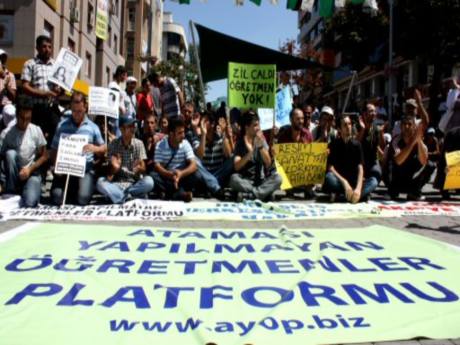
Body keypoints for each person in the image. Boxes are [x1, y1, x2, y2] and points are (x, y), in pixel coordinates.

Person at [50, 92, 106, 205]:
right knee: (57, 198)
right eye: (74, 111)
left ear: (85, 108)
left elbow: (104, 148)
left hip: (85, 170)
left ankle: (84, 188)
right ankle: (73, 189)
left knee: (83, 199)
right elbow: (54, 149)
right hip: (66, 170)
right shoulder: (62, 126)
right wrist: (56, 166)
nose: (76, 114)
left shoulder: (93, 127)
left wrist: (95, 148)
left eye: (79, 111)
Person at [1, 96, 48, 207]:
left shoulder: (36, 130)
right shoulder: (6, 134)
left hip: (31, 174)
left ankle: (29, 190)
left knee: (30, 202)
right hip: (13, 176)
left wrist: (30, 169)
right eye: (22, 118)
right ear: (16, 115)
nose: (25, 122)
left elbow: (44, 155)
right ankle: (11, 191)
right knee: (10, 154)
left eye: (28, 118)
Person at [96, 117, 154, 204]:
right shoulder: (113, 144)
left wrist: (139, 168)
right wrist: (114, 168)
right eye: (129, 126)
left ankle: (119, 197)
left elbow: (143, 168)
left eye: (133, 126)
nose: (133, 128)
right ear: (121, 129)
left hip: (134, 184)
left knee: (149, 181)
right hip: (117, 184)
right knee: (100, 182)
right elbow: (109, 174)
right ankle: (127, 197)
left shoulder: (139, 143)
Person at [229, 111, 282, 202]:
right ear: (247, 127)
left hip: (261, 181)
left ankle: (251, 195)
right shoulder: (240, 143)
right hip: (246, 181)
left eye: (258, 125)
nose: (258, 128)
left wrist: (261, 147)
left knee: (278, 178)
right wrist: (250, 152)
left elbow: (268, 163)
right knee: (233, 179)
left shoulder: (261, 140)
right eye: (255, 125)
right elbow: (237, 166)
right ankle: (263, 194)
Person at [22, 35, 62, 146]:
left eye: (50, 47)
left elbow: (61, 88)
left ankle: (50, 160)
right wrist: (44, 93)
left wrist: (60, 90)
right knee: (35, 139)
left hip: (53, 109)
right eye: (44, 46)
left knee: (56, 135)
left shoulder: (56, 65)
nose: (47, 49)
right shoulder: (30, 64)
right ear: (37, 48)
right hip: (36, 109)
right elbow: (25, 86)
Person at [151, 116, 198, 202]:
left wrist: (181, 174)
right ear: (171, 134)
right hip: (167, 176)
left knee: (196, 174)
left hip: (182, 177)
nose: (183, 136)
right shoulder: (160, 145)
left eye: (183, 132)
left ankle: (171, 193)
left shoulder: (185, 143)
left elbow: (194, 165)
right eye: (180, 133)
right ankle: (180, 194)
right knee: (153, 176)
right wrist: (169, 174)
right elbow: (157, 166)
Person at [323, 115, 366, 203]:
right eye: (345, 125)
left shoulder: (357, 145)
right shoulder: (333, 144)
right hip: (339, 180)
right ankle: (353, 194)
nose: (348, 127)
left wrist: (358, 188)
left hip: (353, 180)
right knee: (328, 178)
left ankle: (350, 194)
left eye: (349, 124)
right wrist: (344, 182)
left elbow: (360, 167)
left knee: (372, 182)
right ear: (339, 129)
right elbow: (330, 167)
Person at [387, 114, 428, 201]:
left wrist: (418, 141)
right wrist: (412, 142)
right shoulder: (395, 140)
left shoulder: (419, 141)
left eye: (409, 124)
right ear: (401, 126)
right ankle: (393, 191)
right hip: (398, 176)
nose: (406, 126)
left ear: (414, 127)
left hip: (412, 176)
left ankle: (414, 192)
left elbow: (423, 161)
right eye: (404, 124)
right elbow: (398, 160)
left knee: (430, 165)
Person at [277, 108, 315, 199]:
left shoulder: (307, 135)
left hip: (303, 171)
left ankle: (308, 189)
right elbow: (279, 159)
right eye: (298, 119)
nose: (301, 121)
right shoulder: (283, 136)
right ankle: (289, 189)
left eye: (302, 118)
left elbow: (313, 157)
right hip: (289, 171)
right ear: (291, 120)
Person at [195, 112, 234, 191]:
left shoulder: (220, 138)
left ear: (213, 124)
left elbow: (228, 155)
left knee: (234, 158)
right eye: (201, 121)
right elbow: (199, 156)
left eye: (205, 121)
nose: (202, 124)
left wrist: (223, 134)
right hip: (204, 173)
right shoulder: (198, 138)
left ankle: (210, 184)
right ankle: (214, 185)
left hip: (218, 173)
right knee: (194, 161)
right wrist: (203, 135)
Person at [356, 103, 386, 199]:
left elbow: (380, 146)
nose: (374, 113)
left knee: (375, 179)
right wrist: (363, 129)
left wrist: (381, 133)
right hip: (358, 163)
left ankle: (359, 195)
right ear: (364, 114)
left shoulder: (376, 128)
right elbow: (354, 145)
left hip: (371, 162)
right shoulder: (356, 126)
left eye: (374, 111)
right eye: (371, 111)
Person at [108, 65, 129, 137]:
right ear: (120, 74)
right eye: (125, 75)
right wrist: (120, 108)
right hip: (115, 117)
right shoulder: (113, 85)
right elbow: (113, 100)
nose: (125, 78)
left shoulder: (117, 86)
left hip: (119, 116)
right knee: (116, 137)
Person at [0, 49, 16, 116]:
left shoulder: (10, 75)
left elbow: (13, 96)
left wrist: (7, 86)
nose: (2, 61)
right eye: (0, 58)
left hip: (6, 108)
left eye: (4, 58)